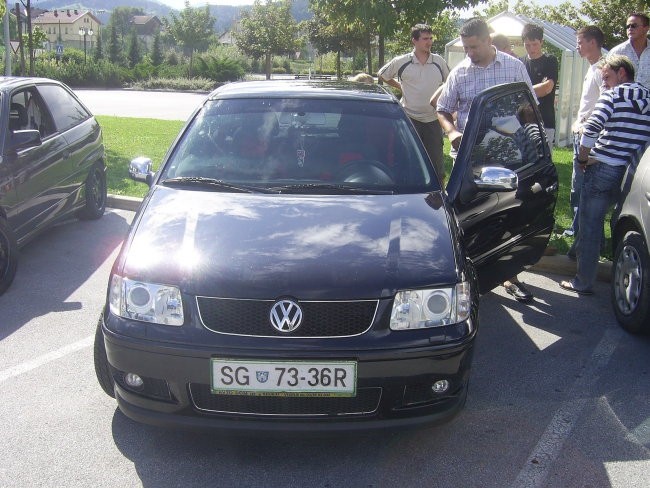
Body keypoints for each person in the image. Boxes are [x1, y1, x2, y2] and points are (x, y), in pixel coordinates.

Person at [436, 17, 537, 303]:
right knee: (467, 216)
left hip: (507, 157)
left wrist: (528, 139)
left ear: (488, 41)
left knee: (508, 214)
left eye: (474, 46)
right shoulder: (460, 73)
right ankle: (467, 276)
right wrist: (452, 131)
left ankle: (509, 276)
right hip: (469, 159)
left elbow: (529, 107)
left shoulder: (514, 66)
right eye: (466, 48)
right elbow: (442, 109)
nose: (470, 52)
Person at [560, 54, 650, 294]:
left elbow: (591, 128)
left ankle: (583, 281)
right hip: (633, 173)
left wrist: (581, 158)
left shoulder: (612, 96)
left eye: (607, 77)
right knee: (619, 222)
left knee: (591, 225)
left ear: (622, 73)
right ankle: (617, 272)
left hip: (602, 168)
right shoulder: (648, 97)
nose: (605, 84)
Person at [378, 24, 450, 180]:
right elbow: (382, 74)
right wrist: (400, 86)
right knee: (408, 160)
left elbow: (450, 82)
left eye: (431, 38)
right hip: (409, 119)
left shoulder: (439, 61)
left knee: (436, 163)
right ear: (414, 41)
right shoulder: (402, 61)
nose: (429, 42)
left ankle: (440, 197)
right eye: (425, 39)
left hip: (433, 119)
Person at [565, 26, 605, 255]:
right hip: (582, 133)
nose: (578, 46)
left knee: (584, 190)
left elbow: (603, 105)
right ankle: (580, 235)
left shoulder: (602, 69)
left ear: (592, 42)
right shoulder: (592, 68)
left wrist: (585, 128)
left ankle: (585, 244)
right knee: (577, 189)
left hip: (590, 138)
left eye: (580, 42)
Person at [520, 23, 558, 153]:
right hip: (523, 122)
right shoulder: (519, 63)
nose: (531, 48)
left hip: (545, 121)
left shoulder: (550, 60)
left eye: (534, 44)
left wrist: (522, 91)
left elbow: (547, 88)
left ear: (541, 42)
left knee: (544, 164)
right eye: (527, 45)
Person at [609, 12, 650, 88]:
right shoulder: (616, 52)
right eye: (628, 26)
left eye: (634, 26)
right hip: (623, 99)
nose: (630, 28)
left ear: (646, 28)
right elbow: (606, 79)